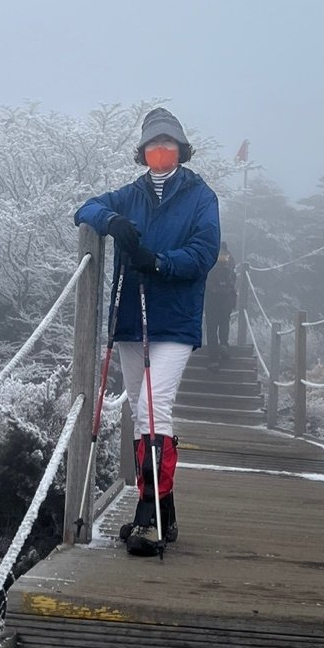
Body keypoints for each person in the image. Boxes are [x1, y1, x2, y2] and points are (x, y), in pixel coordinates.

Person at [73, 107, 219, 556]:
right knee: (141, 411)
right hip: (131, 320)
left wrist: (157, 262)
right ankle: (163, 509)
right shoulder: (131, 194)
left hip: (174, 319)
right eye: (153, 146)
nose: (161, 152)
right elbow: (85, 208)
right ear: (143, 153)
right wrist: (111, 222)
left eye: (168, 145)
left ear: (180, 150)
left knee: (154, 407)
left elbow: (204, 252)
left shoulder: (200, 196)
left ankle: (148, 518)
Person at [203, 242, 237, 365]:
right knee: (224, 321)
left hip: (211, 297)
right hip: (226, 297)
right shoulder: (230, 258)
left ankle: (213, 358)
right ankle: (223, 344)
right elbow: (233, 278)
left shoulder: (209, 255)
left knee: (211, 327)